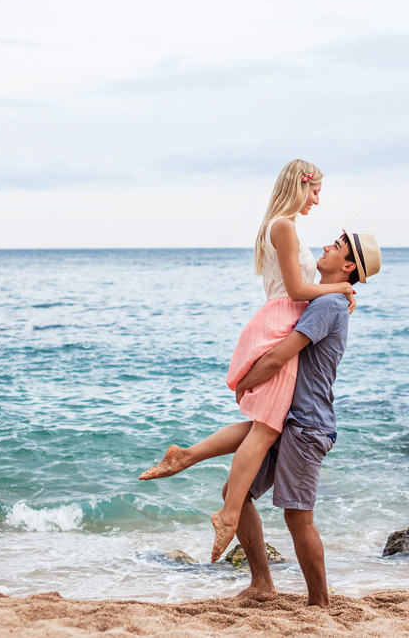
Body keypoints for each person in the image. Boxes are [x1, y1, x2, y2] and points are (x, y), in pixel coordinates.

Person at [143, 230, 381, 606]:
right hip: (289, 417)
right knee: (234, 494)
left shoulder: (328, 306)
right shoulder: (329, 300)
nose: (325, 246)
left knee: (298, 518)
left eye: (336, 247)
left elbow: (278, 357)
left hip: (307, 425)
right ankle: (261, 584)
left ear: (348, 265)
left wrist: (244, 384)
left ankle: (320, 603)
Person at [138, 159, 354, 563]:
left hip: (280, 318)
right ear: (299, 185)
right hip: (279, 321)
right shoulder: (285, 226)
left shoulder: (283, 224)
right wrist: (341, 285)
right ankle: (230, 512)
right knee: (268, 427)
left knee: (262, 423)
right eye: (315, 190)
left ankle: (186, 456)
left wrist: (336, 293)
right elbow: (294, 288)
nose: (318, 199)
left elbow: (300, 289)